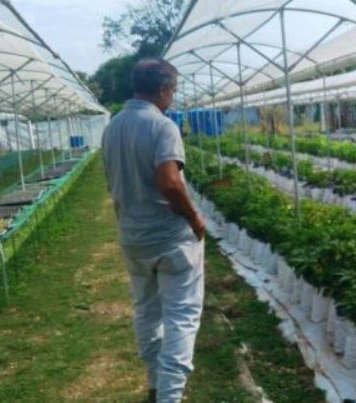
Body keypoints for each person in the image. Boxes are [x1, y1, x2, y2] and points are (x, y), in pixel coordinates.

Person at [101, 58, 205, 403]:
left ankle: (155, 384)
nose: (172, 96)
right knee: (181, 317)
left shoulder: (113, 127)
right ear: (163, 89)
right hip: (170, 239)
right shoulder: (162, 126)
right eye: (173, 90)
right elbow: (170, 182)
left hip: (134, 236)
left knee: (147, 310)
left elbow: (111, 181)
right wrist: (194, 219)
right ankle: (169, 396)